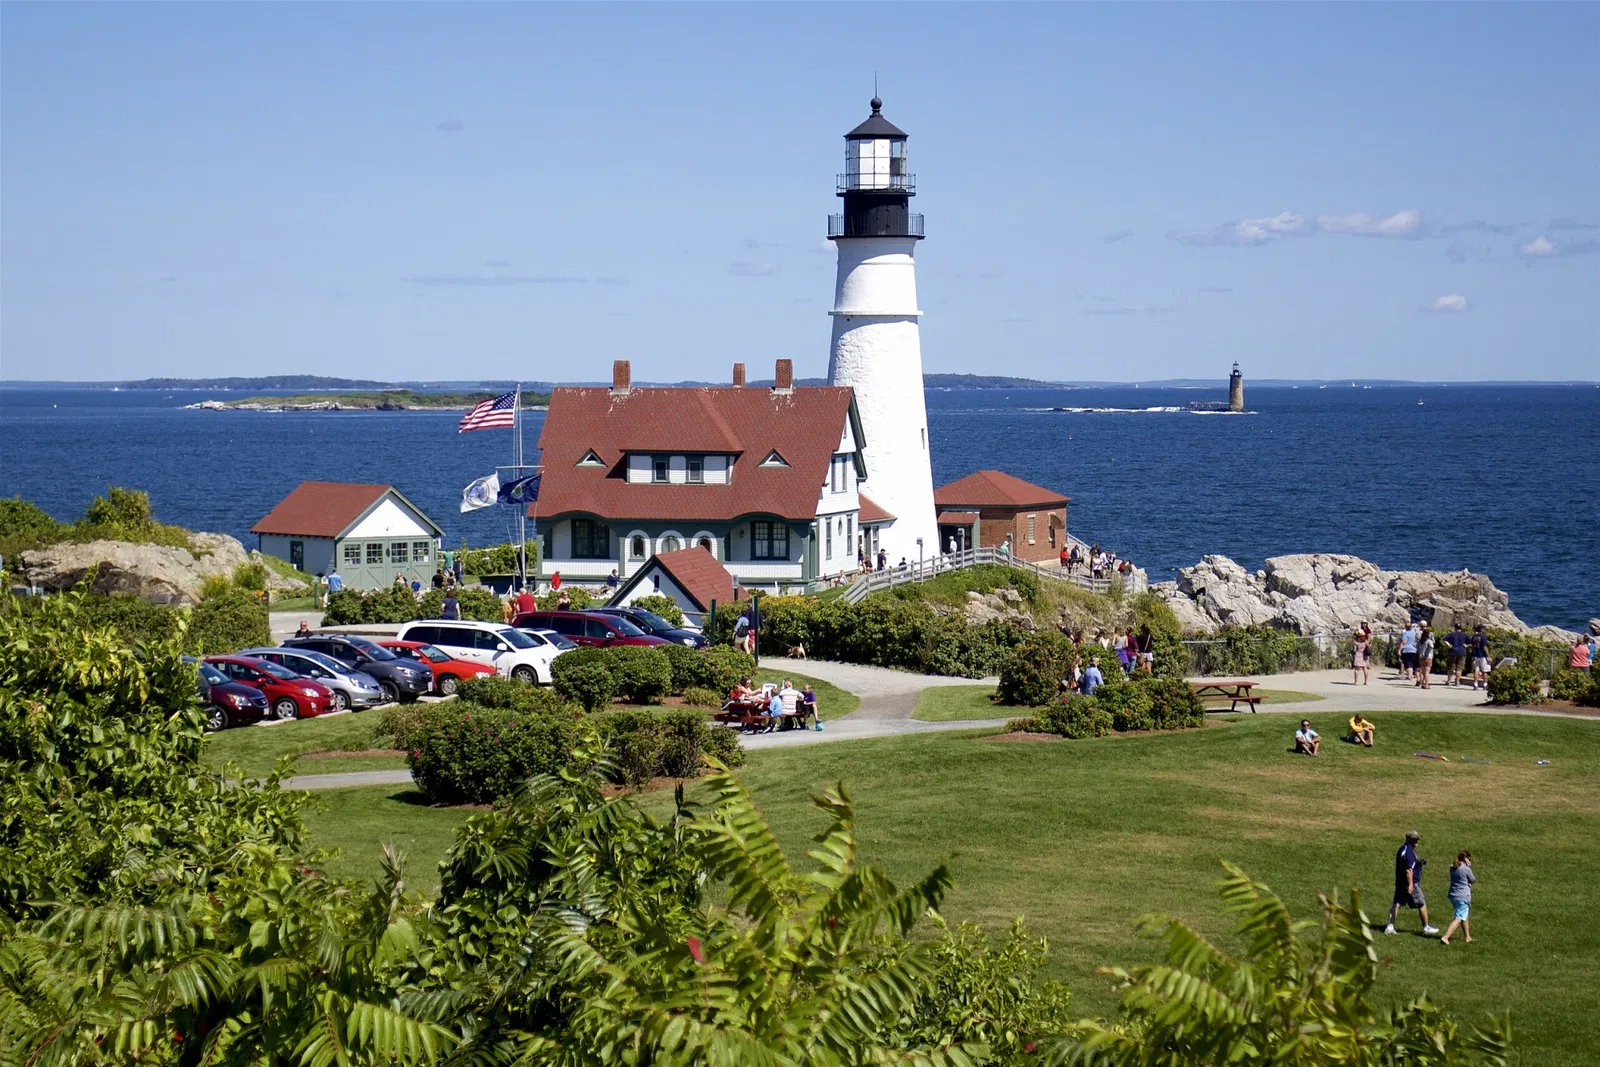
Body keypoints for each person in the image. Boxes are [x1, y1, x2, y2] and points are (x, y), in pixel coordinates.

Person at [1385, 829, 1439, 936]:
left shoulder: (1403, 849)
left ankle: (1390, 927)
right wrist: (1410, 885)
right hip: (1410, 883)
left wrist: (1418, 863)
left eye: (1417, 839)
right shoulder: (1409, 852)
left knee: (1397, 903)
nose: (1417, 841)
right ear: (1409, 839)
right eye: (1415, 839)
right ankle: (1426, 927)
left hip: (1400, 882)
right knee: (1421, 903)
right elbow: (1408, 870)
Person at [1439, 851, 1476, 946]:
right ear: (1466, 858)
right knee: (1459, 918)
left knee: (1464, 915)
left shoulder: (1453, 867)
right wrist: (1469, 867)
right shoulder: (1466, 869)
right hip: (1462, 896)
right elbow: (1472, 879)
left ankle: (1467, 937)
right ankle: (1446, 937)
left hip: (1453, 895)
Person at [1469, 625, 1491, 689]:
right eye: (1483, 629)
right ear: (1481, 629)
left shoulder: (1474, 636)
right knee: (1485, 671)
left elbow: (1472, 645)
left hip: (1476, 655)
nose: (1484, 630)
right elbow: (1485, 647)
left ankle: (1475, 684)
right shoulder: (1483, 637)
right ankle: (1485, 685)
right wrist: (1488, 656)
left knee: (1476, 670)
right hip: (1483, 656)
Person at [1414, 625, 1435, 689]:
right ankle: (1426, 684)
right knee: (1427, 672)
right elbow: (1431, 647)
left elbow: (1417, 646)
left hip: (1421, 657)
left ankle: (1422, 683)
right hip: (1428, 657)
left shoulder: (1421, 641)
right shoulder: (1429, 641)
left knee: (1422, 672)